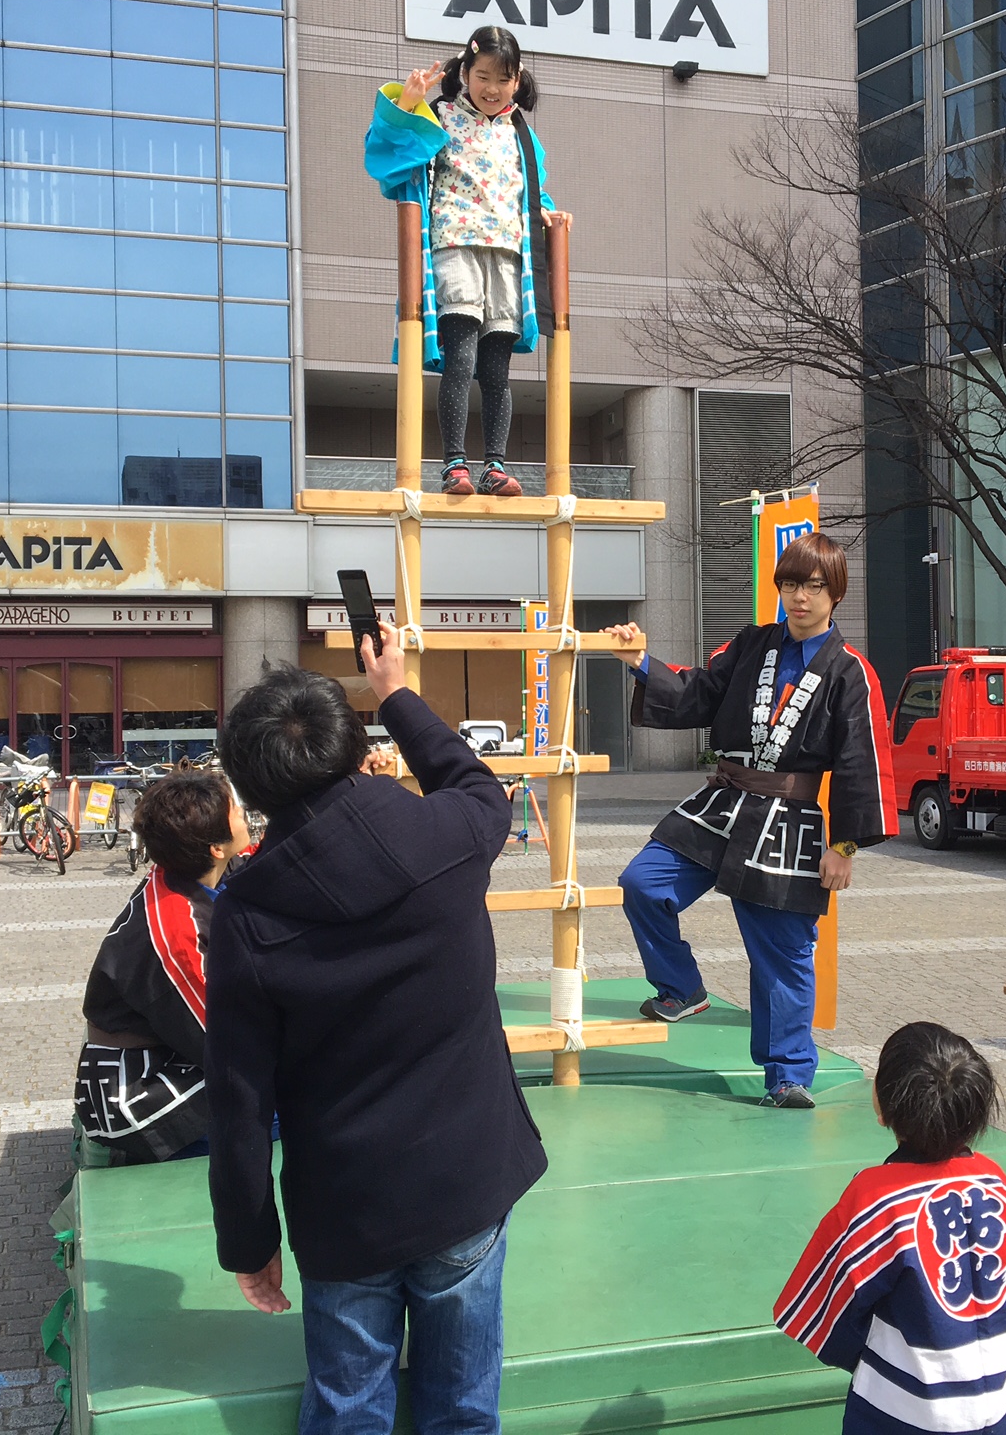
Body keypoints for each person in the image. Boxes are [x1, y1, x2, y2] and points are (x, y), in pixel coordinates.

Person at [206, 627, 546, 1433]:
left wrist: (249, 1240)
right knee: (463, 1410)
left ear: (251, 789)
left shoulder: (247, 914)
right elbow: (474, 780)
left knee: (349, 1407)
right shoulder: (449, 834)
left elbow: (240, 1097)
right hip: (465, 1179)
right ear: (357, 747)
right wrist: (393, 691)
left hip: (346, 1206)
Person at [603, 531, 899, 1109]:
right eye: (790, 585)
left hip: (790, 819)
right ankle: (681, 988)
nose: (800, 597)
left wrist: (844, 846)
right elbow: (697, 691)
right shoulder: (751, 643)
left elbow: (863, 760)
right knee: (642, 882)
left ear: (836, 593)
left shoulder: (852, 672)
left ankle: (787, 1076)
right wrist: (639, 661)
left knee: (781, 955)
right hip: (724, 799)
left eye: (814, 586)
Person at [774, 1023, 1006, 1435]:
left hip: (896, 1416)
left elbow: (819, 1315)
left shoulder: (875, 1196)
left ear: (881, 1104)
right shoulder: (1002, 1186)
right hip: (994, 1413)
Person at [364, 25, 573, 499]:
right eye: (483, 76)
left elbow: (529, 187)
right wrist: (407, 105)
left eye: (503, 79)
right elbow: (390, 155)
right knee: (461, 358)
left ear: (517, 79)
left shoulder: (520, 132)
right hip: (455, 246)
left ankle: (495, 465)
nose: (492, 88)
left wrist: (545, 210)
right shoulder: (440, 116)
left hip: (507, 256)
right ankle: (454, 463)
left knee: (497, 368)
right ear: (464, 72)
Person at [75, 772, 252, 1163]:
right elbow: (224, 1043)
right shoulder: (175, 934)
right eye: (236, 809)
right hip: (137, 1091)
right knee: (296, 1103)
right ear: (216, 847)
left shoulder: (187, 870)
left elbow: (277, 855)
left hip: (173, 1053)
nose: (244, 811)